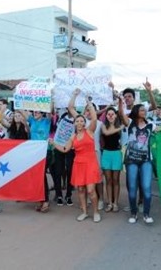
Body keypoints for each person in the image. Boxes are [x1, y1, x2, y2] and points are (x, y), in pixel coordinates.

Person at [53, 89, 102, 222]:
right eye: (77, 121)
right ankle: (85, 212)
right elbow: (64, 149)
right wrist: (53, 143)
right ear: (74, 123)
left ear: (84, 123)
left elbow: (95, 117)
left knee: (91, 190)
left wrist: (88, 102)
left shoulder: (90, 131)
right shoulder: (73, 136)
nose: (79, 123)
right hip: (78, 164)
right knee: (80, 189)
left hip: (90, 163)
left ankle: (96, 212)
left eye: (81, 121)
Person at [119, 98, 157, 224]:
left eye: (145, 110)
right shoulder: (130, 123)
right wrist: (120, 102)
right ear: (136, 111)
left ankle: (146, 214)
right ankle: (134, 213)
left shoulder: (151, 124)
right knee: (132, 188)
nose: (144, 111)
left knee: (146, 187)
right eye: (141, 110)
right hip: (131, 161)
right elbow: (121, 114)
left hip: (146, 160)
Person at [27, 110, 52, 213]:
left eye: (37, 112)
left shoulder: (47, 121)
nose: (35, 113)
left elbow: (50, 111)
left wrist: (49, 98)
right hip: (34, 152)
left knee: (41, 175)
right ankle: (39, 198)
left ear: (42, 113)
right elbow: (21, 109)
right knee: (36, 176)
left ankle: (45, 200)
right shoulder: (32, 120)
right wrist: (17, 95)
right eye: (34, 112)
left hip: (46, 151)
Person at [101, 107, 124, 212]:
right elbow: (106, 133)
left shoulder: (119, 125)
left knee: (116, 180)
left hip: (116, 154)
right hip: (106, 154)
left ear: (115, 115)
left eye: (112, 114)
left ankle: (115, 203)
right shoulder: (103, 126)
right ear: (106, 116)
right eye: (108, 114)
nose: (110, 116)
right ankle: (110, 202)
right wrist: (120, 128)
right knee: (108, 180)